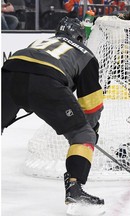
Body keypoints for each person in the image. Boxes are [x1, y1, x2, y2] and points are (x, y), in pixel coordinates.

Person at [1, 17, 105, 206]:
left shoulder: (42, 41)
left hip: (9, 73)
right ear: (80, 37)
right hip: (46, 81)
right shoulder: (85, 54)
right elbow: (92, 105)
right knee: (83, 134)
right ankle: (74, 189)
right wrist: (91, 131)